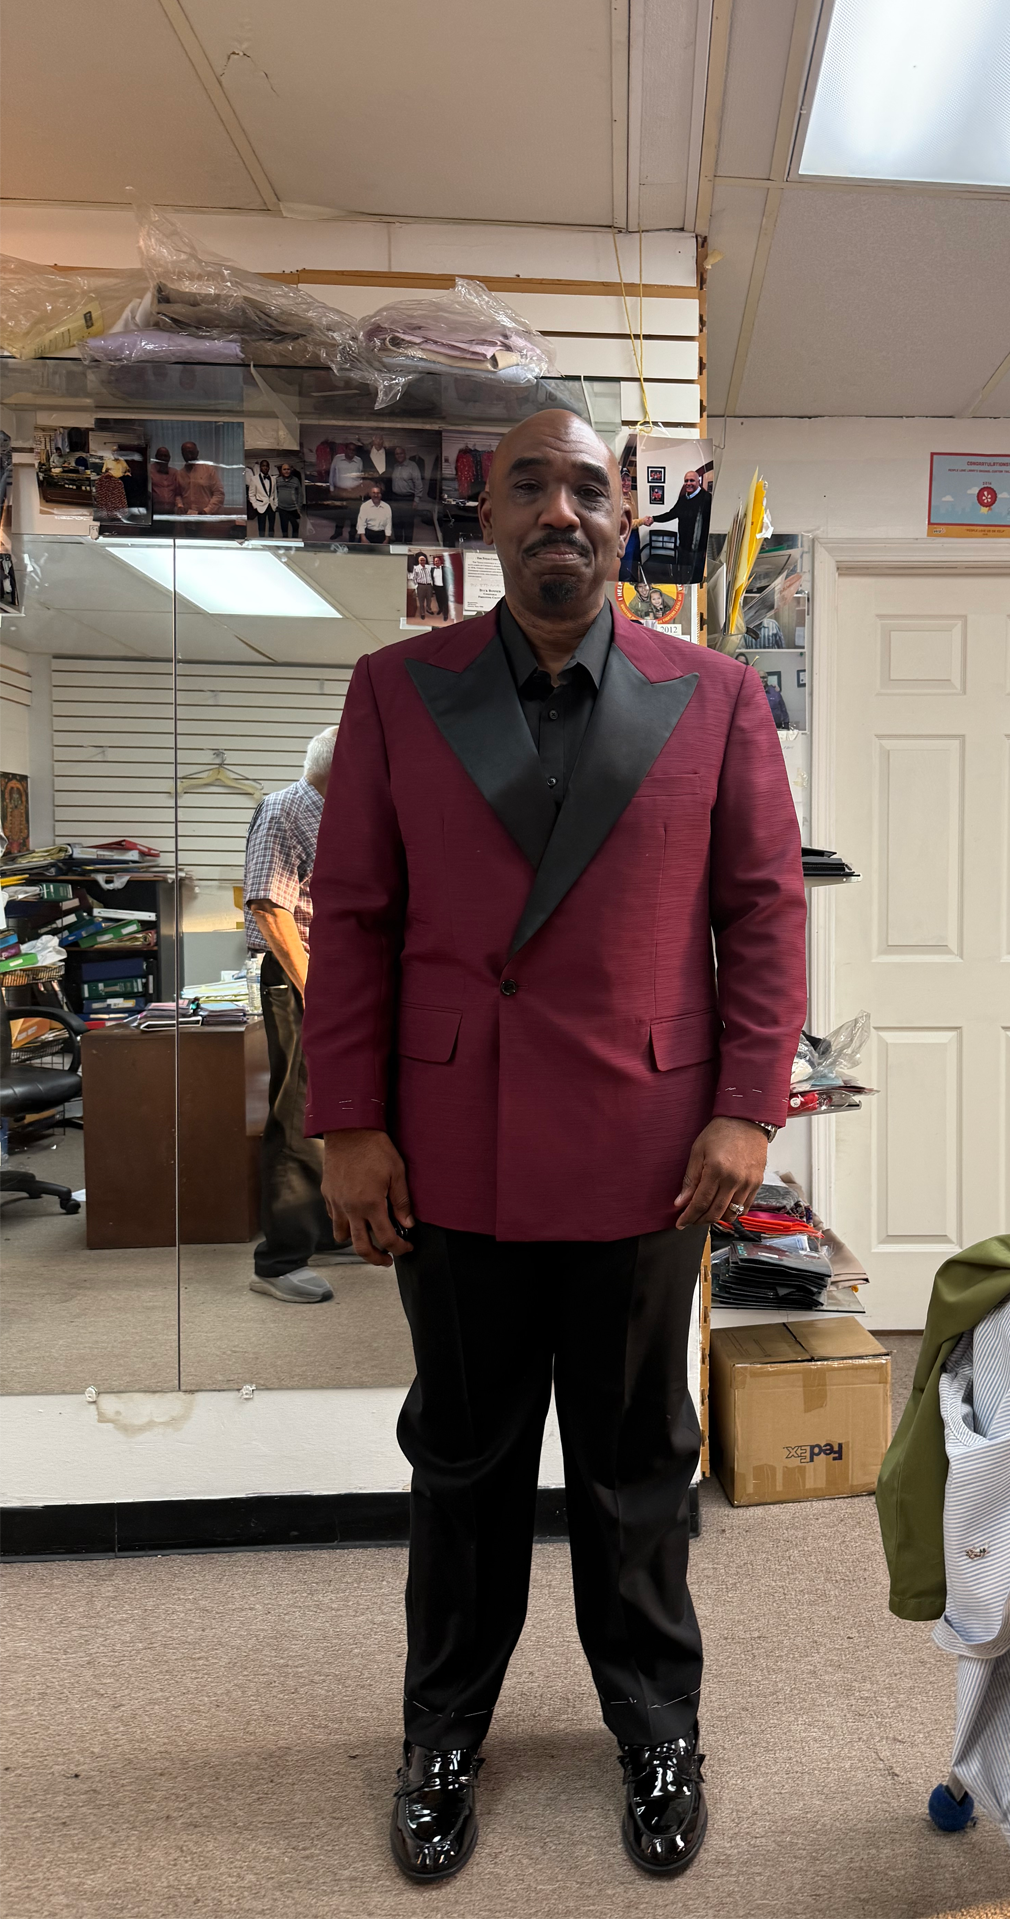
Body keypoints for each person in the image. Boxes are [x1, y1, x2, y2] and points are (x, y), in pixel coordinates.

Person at [304, 409, 805, 1886]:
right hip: (449, 1148)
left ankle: (657, 1724)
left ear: (625, 517)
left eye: (588, 486)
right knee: (463, 1465)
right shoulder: (396, 690)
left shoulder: (715, 695)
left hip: (652, 1152)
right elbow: (354, 922)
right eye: (530, 484)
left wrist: (748, 1103)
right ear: (489, 515)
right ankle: (441, 1733)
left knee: (639, 1460)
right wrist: (348, 1123)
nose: (560, 510)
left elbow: (762, 912)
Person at [243, 728, 346, 1303]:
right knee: (297, 1111)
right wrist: (316, 990)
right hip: (299, 975)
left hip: (331, 977)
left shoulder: (336, 813)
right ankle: (278, 1262)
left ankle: (324, 1231)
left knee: (331, 1105)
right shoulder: (285, 809)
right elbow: (268, 905)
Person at [640, 466, 713, 584]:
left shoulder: (707, 499)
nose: (688, 483)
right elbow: (671, 514)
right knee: (681, 577)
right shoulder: (683, 499)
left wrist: (706, 549)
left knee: (695, 580)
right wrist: (653, 519)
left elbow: (710, 525)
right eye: (686, 481)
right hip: (682, 547)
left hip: (698, 551)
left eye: (692, 480)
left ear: (698, 481)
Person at [328, 440, 366, 540]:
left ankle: (352, 534)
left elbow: (361, 477)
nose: (351, 452)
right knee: (339, 514)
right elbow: (332, 474)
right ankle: (338, 532)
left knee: (354, 516)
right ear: (345, 449)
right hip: (340, 492)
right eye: (350, 449)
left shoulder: (359, 461)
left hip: (354, 493)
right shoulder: (337, 459)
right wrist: (331, 488)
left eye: (354, 450)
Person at [390, 444, 425, 542]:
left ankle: (408, 544)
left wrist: (416, 500)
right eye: (397, 454)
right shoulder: (395, 466)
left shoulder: (412, 466)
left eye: (401, 453)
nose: (399, 456)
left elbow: (419, 484)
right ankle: (398, 543)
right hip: (396, 498)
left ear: (405, 454)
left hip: (408, 499)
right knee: (396, 522)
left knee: (408, 523)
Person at [246, 458, 278, 538]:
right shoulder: (254, 479)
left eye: (267, 466)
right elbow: (251, 494)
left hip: (271, 506)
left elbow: (275, 493)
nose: (265, 468)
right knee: (261, 526)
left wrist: (275, 504)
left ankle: (271, 541)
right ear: (260, 467)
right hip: (260, 506)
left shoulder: (273, 479)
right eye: (263, 466)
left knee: (272, 527)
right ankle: (261, 540)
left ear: (269, 467)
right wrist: (255, 505)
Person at [274, 460, 304, 539]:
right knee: (284, 529)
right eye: (284, 469)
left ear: (290, 470)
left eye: (288, 469)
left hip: (294, 509)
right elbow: (275, 493)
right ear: (281, 471)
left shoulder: (296, 480)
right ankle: (286, 543)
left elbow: (300, 494)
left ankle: (294, 543)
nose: (286, 471)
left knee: (295, 527)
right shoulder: (277, 480)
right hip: (282, 509)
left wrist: (299, 507)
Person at [149, 445, 178, 515]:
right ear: (156, 457)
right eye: (160, 456)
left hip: (171, 513)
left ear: (169, 458)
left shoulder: (174, 473)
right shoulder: (149, 470)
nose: (163, 458)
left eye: (165, 456)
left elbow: (178, 492)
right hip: (153, 513)